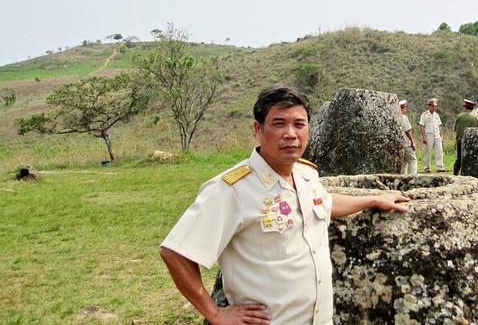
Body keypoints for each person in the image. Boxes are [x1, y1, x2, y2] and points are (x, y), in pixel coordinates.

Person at [160, 85, 410, 325]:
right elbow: (176, 252)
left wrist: (374, 199)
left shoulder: (306, 174)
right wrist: (215, 314)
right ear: (258, 129)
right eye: (279, 123)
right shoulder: (231, 189)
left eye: (299, 124)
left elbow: (326, 203)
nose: (290, 133)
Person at [453, 99, 478, 175]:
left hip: (460, 140)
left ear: (465, 107)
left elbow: (455, 128)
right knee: (471, 158)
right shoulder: (476, 118)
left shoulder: (459, 117)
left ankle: (455, 173)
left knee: (459, 158)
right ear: (472, 108)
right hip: (471, 142)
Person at [418, 98, 447, 173]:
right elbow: (421, 126)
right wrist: (423, 137)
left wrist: (441, 135)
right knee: (428, 152)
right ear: (429, 106)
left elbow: (439, 126)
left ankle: (440, 167)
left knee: (439, 151)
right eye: (433, 106)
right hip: (429, 135)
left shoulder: (437, 115)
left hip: (437, 135)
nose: (434, 108)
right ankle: (427, 168)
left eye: (435, 106)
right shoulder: (424, 115)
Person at [399, 100, 417, 175]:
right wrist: (412, 141)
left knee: (403, 163)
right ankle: (412, 177)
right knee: (412, 160)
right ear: (402, 108)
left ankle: (402, 177)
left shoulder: (395, 117)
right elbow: (407, 131)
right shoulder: (403, 117)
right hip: (406, 144)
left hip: (399, 145)